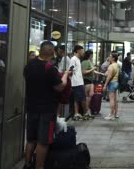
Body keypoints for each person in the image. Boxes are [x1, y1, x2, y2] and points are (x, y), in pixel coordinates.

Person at [23, 41, 69, 169]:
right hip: (47, 110)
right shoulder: (49, 68)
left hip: (31, 107)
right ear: (52, 52)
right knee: (43, 142)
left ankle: (27, 164)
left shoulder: (29, 66)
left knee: (31, 139)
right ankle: (39, 167)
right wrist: (65, 75)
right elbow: (60, 87)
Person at [69, 45, 91, 121]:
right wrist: (71, 79)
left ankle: (81, 113)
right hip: (76, 82)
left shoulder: (78, 59)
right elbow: (70, 70)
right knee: (79, 98)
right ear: (78, 50)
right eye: (82, 50)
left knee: (80, 98)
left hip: (79, 82)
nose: (83, 52)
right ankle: (78, 113)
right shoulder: (73, 59)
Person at [103, 52, 120, 120]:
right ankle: (116, 114)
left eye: (110, 57)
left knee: (111, 100)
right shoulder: (117, 65)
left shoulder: (111, 66)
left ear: (113, 58)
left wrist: (105, 85)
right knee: (115, 100)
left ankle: (111, 115)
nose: (109, 58)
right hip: (116, 82)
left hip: (112, 83)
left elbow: (109, 76)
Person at [81, 50, 96, 119]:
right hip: (86, 81)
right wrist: (93, 68)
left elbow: (92, 70)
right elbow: (84, 72)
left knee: (89, 96)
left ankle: (87, 111)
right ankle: (86, 111)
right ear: (90, 55)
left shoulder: (89, 61)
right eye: (92, 54)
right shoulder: (86, 62)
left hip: (90, 81)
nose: (92, 56)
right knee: (87, 97)